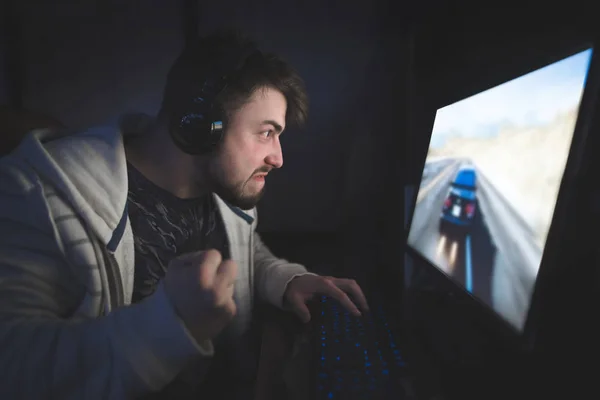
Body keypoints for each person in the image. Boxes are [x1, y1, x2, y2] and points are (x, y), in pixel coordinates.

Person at [0, 29, 368, 399]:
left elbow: (243, 250)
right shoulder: (39, 193)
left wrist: (285, 281)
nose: (278, 158)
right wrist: (171, 323)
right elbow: (13, 365)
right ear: (201, 125)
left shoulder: (224, 187)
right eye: (266, 133)